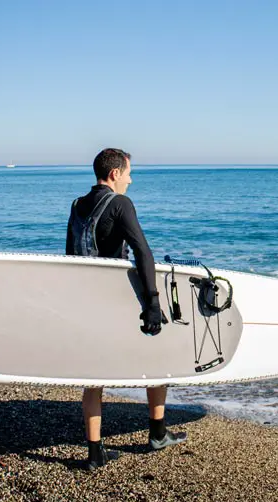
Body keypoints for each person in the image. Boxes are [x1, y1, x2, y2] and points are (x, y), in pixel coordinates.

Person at [66, 148, 187, 470]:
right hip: (117, 298)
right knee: (157, 362)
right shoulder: (120, 203)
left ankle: (94, 454)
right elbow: (143, 252)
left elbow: (68, 258)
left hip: (86, 301)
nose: (131, 180)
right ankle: (158, 434)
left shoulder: (77, 206)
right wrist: (153, 302)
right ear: (115, 173)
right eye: (129, 173)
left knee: (93, 379)